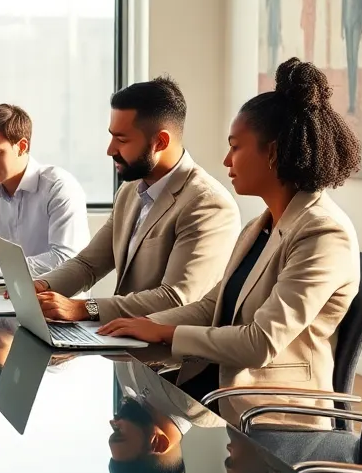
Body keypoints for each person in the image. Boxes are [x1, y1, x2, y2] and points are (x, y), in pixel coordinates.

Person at [99, 59, 362, 429]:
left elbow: (260, 342)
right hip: (222, 391)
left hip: (274, 414)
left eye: (235, 147)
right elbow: (212, 306)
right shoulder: (262, 225)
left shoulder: (322, 233)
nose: (226, 161)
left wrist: (166, 332)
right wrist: (140, 325)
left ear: (272, 153)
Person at [31, 77, 241, 324]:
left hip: (168, 348)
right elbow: (88, 264)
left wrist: (84, 308)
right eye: (112, 137)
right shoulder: (129, 191)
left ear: (160, 142)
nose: (110, 150)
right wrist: (41, 286)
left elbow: (175, 299)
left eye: (122, 140)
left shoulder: (208, 204)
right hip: (122, 339)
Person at [0, 104, 89, 279]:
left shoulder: (59, 187)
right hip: (11, 290)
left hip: (58, 294)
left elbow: (65, 259)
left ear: (21, 146)